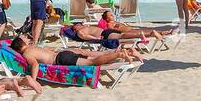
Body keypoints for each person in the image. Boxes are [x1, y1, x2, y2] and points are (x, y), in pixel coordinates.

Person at [9, 35, 142, 74]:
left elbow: (35, 65)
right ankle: (126, 51)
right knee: (92, 58)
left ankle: (120, 54)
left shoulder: (27, 53)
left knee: (92, 63)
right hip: (62, 53)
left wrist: (32, 79)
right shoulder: (34, 47)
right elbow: (48, 51)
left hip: (61, 59)